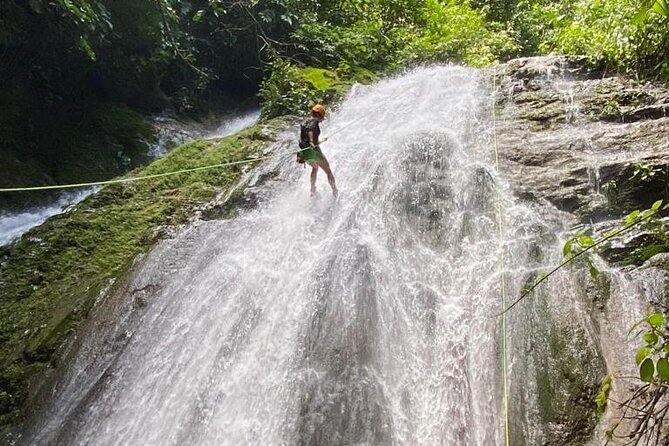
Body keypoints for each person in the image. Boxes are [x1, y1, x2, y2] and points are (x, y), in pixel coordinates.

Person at [298, 104, 338, 198]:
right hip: (313, 151)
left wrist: (318, 141)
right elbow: (311, 131)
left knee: (315, 168)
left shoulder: (305, 122)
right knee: (328, 171)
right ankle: (335, 190)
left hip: (305, 152)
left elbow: (305, 137)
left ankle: (312, 189)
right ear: (320, 115)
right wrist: (312, 142)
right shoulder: (314, 121)